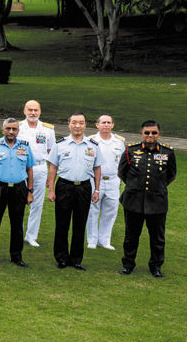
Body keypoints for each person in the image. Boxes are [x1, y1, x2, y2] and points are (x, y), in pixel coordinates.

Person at [119, 120, 176, 277]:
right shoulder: (131, 150)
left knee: (157, 237)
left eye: (154, 132)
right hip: (133, 201)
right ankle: (128, 264)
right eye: (147, 132)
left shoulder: (168, 152)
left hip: (157, 202)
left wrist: (157, 188)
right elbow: (122, 173)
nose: (150, 135)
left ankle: (156, 266)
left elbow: (171, 175)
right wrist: (134, 186)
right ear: (141, 133)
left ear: (159, 134)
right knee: (131, 236)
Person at [46, 113, 102, 270]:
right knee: (62, 223)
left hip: (84, 187)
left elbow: (97, 168)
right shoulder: (60, 144)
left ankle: (76, 259)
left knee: (80, 223)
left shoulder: (93, 145)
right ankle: (61, 258)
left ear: (85, 125)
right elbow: (53, 168)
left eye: (81, 123)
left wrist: (97, 189)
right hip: (64, 186)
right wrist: (51, 189)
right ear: (69, 124)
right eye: (74, 123)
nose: (77, 126)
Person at [0, 118, 34, 268]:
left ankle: (16, 256)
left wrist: (30, 191)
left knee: (17, 224)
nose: (11, 132)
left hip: (19, 189)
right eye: (8, 129)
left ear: (18, 131)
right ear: (3, 130)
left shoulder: (25, 147)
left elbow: (30, 169)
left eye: (14, 129)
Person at [86, 114, 124, 250]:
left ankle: (104, 240)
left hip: (113, 180)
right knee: (93, 210)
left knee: (111, 210)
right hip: (95, 180)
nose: (106, 125)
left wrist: (120, 180)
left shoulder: (119, 142)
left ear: (112, 125)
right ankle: (92, 239)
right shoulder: (91, 141)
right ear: (97, 125)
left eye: (109, 122)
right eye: (103, 123)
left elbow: (122, 163)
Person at [20, 100, 55, 247]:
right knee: (19, 201)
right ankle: (19, 233)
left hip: (40, 168)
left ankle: (31, 236)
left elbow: (51, 153)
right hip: (21, 167)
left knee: (37, 203)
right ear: (24, 111)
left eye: (36, 110)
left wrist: (50, 177)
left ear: (40, 111)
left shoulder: (47, 129)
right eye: (30, 110)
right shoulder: (19, 127)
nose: (33, 113)